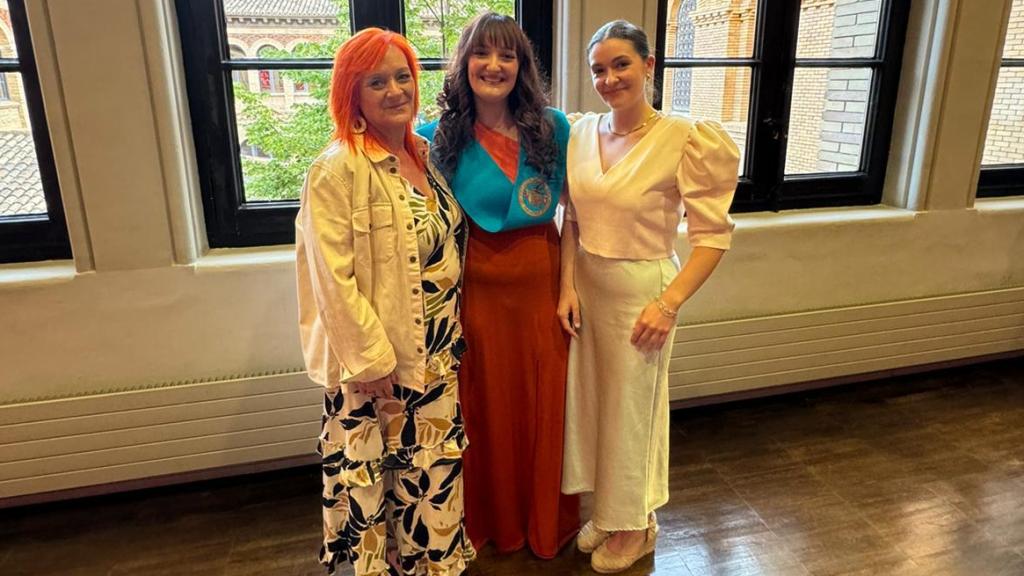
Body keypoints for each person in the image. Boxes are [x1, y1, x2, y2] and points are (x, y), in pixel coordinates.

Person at [558, 20, 739, 574]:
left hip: (644, 294)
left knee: (634, 412)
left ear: (648, 66)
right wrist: (566, 283)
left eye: (621, 65)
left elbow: (713, 238)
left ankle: (635, 524)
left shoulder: (684, 138)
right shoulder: (581, 132)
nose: (609, 79)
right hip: (587, 288)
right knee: (593, 406)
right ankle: (614, 512)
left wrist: (669, 305)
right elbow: (570, 220)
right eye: (598, 70)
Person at [295, 27, 474, 576]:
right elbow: (331, 278)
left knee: (429, 480)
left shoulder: (420, 153)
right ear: (353, 94)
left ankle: (431, 565)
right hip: (380, 365)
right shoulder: (338, 167)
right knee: (381, 487)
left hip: (434, 355)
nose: (396, 90)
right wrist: (369, 360)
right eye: (377, 82)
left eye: (403, 77)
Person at [418, 12, 580, 559]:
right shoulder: (434, 137)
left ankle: (541, 522)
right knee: (485, 406)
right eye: (482, 53)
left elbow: (575, 215)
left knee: (541, 404)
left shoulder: (553, 127)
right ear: (464, 63)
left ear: (521, 65)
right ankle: (491, 523)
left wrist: (568, 289)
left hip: (541, 283)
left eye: (507, 55)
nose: (494, 65)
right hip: (475, 292)